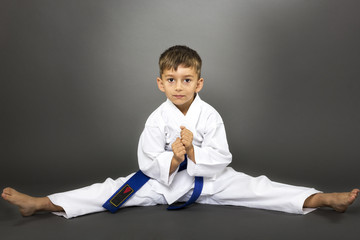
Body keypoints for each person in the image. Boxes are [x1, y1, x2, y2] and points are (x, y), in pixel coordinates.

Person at [2, 45, 359, 219]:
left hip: (212, 180)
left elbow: (222, 157)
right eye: (171, 80)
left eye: (186, 80)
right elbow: (145, 160)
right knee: (108, 190)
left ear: (198, 82)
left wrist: (194, 154)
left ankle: (321, 199)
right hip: (164, 182)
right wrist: (173, 157)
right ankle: (42, 204)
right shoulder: (156, 119)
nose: (179, 86)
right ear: (160, 84)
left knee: (260, 187)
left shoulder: (210, 115)